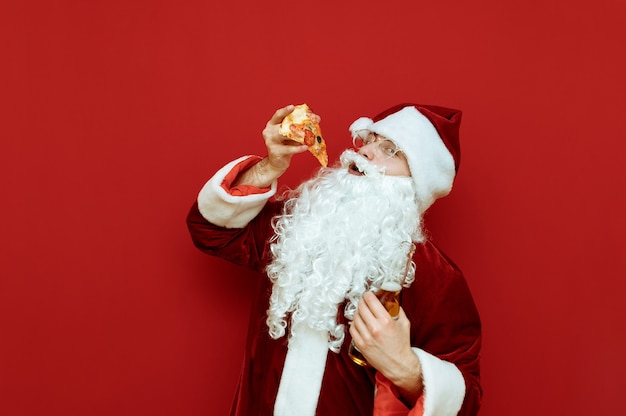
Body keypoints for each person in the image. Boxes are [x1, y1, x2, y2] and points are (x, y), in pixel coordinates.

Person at [186, 103, 482, 416]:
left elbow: (467, 400)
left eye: (391, 150)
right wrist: (267, 168)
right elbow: (209, 230)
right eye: (368, 140)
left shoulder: (437, 277)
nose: (365, 151)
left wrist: (407, 369)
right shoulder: (297, 227)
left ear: (416, 183)